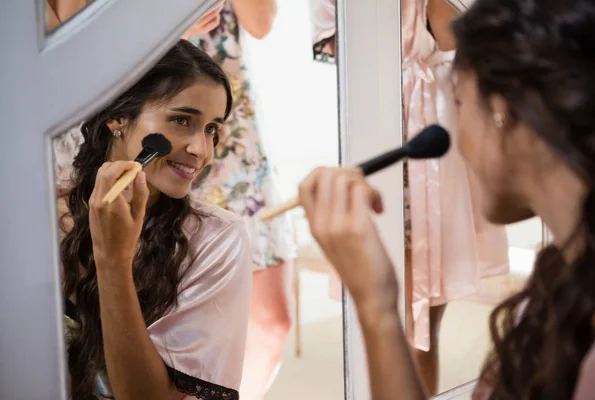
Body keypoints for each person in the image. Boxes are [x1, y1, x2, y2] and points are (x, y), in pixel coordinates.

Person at [298, 0, 595, 398]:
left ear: (501, 110)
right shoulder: (558, 286)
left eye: (457, 100)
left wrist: (376, 309)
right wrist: (380, 305)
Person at [309, 0, 509, 395]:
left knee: (427, 323)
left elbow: (454, 35)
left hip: (436, 132)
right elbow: (337, 43)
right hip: (372, 120)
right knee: (384, 304)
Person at [56, 39, 252, 400]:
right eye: (182, 120)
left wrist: (113, 260)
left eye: (211, 129)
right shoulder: (40, 215)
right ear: (117, 117)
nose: (201, 150)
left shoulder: (216, 241)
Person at [183, 2, 296, 399]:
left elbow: (261, 23)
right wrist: (169, 28)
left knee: (272, 323)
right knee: (181, 328)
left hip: (236, 143)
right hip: (167, 140)